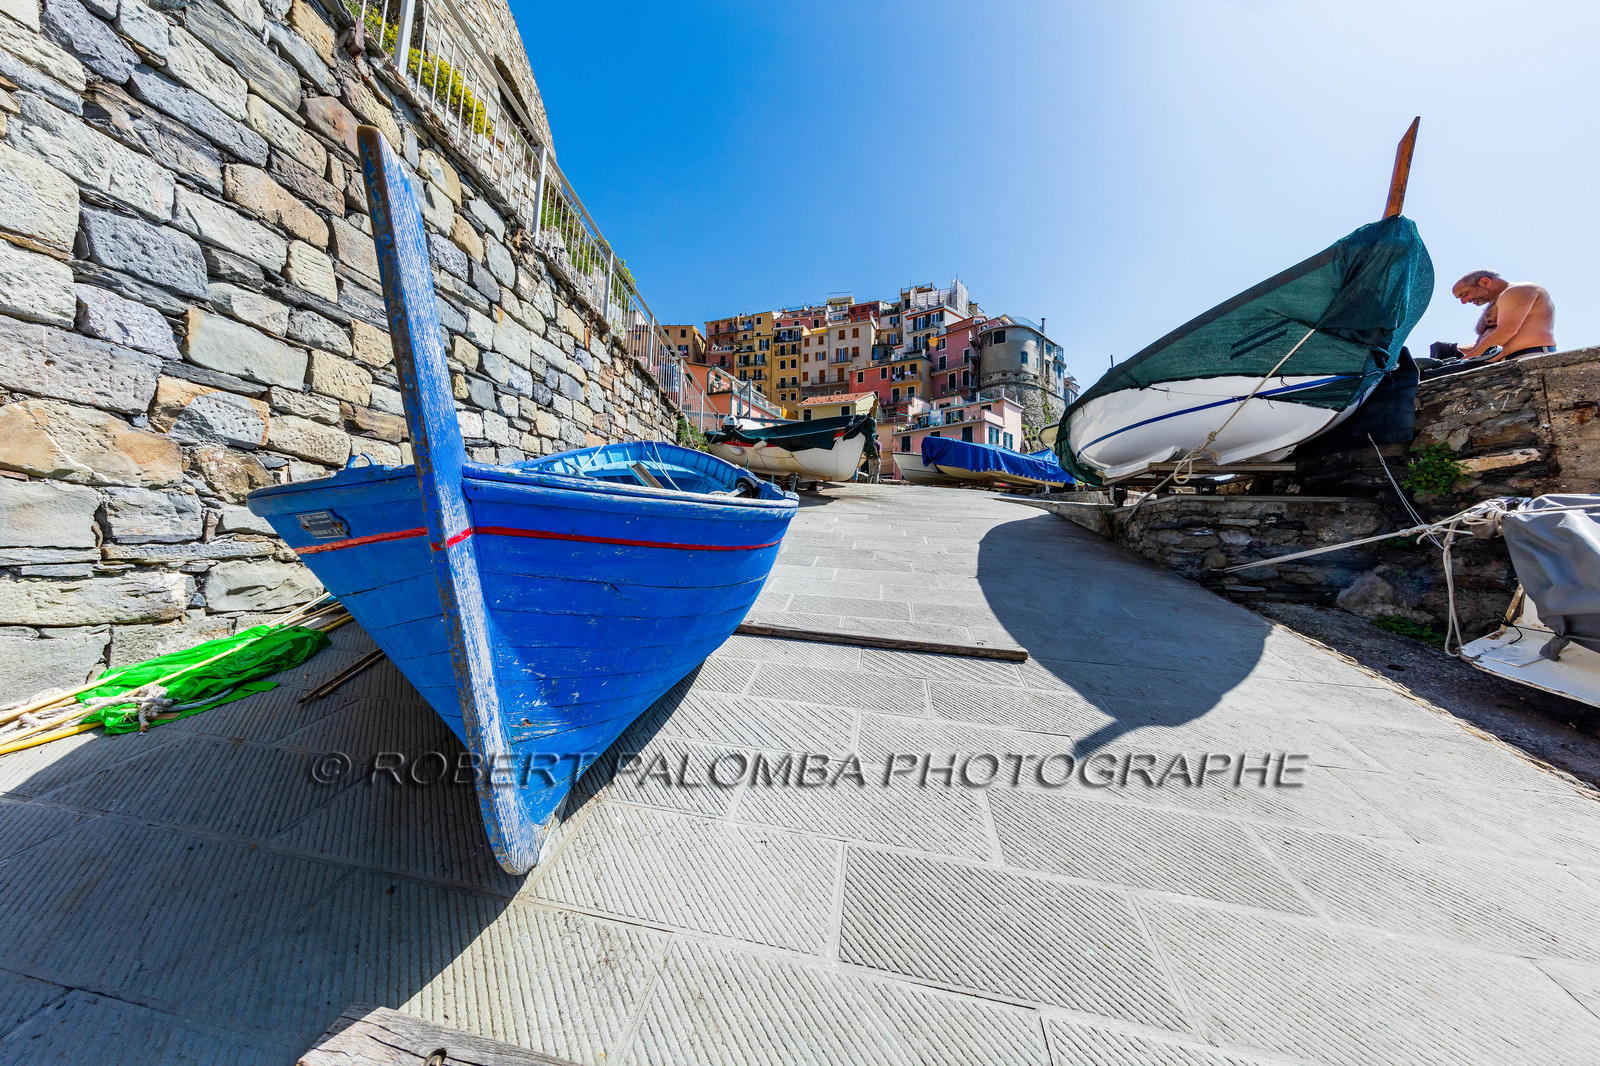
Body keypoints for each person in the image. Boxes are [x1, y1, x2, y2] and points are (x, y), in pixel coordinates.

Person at [1448, 270, 1557, 361]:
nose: (1464, 301)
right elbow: (1493, 340)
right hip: (1506, 363)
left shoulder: (1519, 290)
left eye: (1465, 294)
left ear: (1484, 282)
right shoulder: (1499, 300)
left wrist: (1465, 362)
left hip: (1528, 359)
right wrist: (1455, 350)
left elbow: (1505, 332)